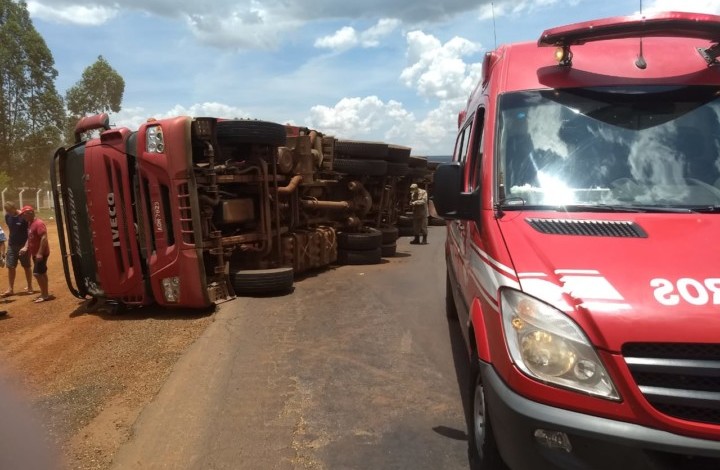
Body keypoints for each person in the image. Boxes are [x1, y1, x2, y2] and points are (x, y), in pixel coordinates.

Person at [18, 206, 52, 303]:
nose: (23, 217)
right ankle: (45, 293)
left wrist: (40, 253)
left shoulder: (39, 223)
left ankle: (45, 295)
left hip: (41, 253)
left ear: (31, 213)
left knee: (37, 274)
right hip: (35, 253)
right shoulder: (30, 223)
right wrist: (25, 247)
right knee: (42, 273)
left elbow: (44, 238)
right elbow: (30, 237)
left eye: (24, 215)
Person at [2, 202, 33, 297]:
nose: (8, 212)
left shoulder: (23, 216)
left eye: (9, 210)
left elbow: (29, 231)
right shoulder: (7, 216)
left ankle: (30, 286)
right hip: (12, 245)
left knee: (26, 266)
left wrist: (26, 246)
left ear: (14, 208)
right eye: (6, 211)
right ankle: (10, 289)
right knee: (10, 266)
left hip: (23, 246)